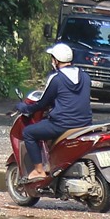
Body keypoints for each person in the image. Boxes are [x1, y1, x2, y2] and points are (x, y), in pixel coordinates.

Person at [19, 42, 92, 182]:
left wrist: (25, 108)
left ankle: (39, 170)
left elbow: (42, 103)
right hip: (85, 124)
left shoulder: (56, 78)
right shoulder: (85, 76)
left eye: (52, 58)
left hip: (62, 125)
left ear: (56, 60)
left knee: (28, 133)